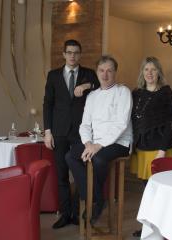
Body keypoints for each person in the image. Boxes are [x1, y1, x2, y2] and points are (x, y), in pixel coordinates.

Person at [66, 55, 132, 225]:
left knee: (99, 158)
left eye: (109, 70)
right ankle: (96, 198)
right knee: (71, 155)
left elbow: (121, 124)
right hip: (94, 142)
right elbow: (85, 125)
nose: (105, 74)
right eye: (102, 70)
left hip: (119, 142)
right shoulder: (92, 96)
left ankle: (92, 199)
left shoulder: (123, 92)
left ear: (115, 72)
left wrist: (98, 146)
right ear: (97, 72)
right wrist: (88, 143)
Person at [43, 39, 99, 229]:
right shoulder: (53, 75)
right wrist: (47, 132)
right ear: (64, 54)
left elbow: (101, 87)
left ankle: (76, 212)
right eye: (69, 52)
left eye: (76, 52)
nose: (73, 55)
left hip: (81, 134)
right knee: (61, 176)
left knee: (80, 173)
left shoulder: (88, 74)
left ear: (80, 54)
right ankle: (65, 214)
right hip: (58, 133)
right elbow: (48, 104)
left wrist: (86, 86)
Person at [130, 56, 172, 237]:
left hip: (159, 150)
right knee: (147, 191)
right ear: (142, 73)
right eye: (146, 70)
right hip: (141, 148)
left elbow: (170, 123)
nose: (149, 73)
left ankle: (165, 229)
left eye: (153, 69)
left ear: (159, 73)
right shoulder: (137, 93)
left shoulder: (165, 92)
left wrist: (161, 151)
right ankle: (148, 227)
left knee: (161, 191)